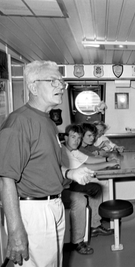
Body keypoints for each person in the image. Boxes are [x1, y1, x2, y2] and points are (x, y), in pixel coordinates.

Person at [0, 60, 93, 266]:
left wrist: (70, 174)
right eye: (53, 81)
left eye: (61, 81)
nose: (60, 86)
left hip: (53, 204)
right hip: (32, 210)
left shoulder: (48, 121)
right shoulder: (18, 123)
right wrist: (15, 231)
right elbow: (6, 179)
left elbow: (45, 163)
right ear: (33, 87)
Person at [61, 124, 119, 254]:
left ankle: (94, 225)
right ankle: (78, 241)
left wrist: (107, 159)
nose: (76, 140)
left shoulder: (74, 150)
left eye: (78, 138)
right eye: (73, 137)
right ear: (65, 137)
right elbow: (86, 166)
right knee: (88, 193)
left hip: (70, 182)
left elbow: (90, 159)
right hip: (63, 186)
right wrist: (109, 163)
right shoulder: (64, 150)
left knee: (96, 187)